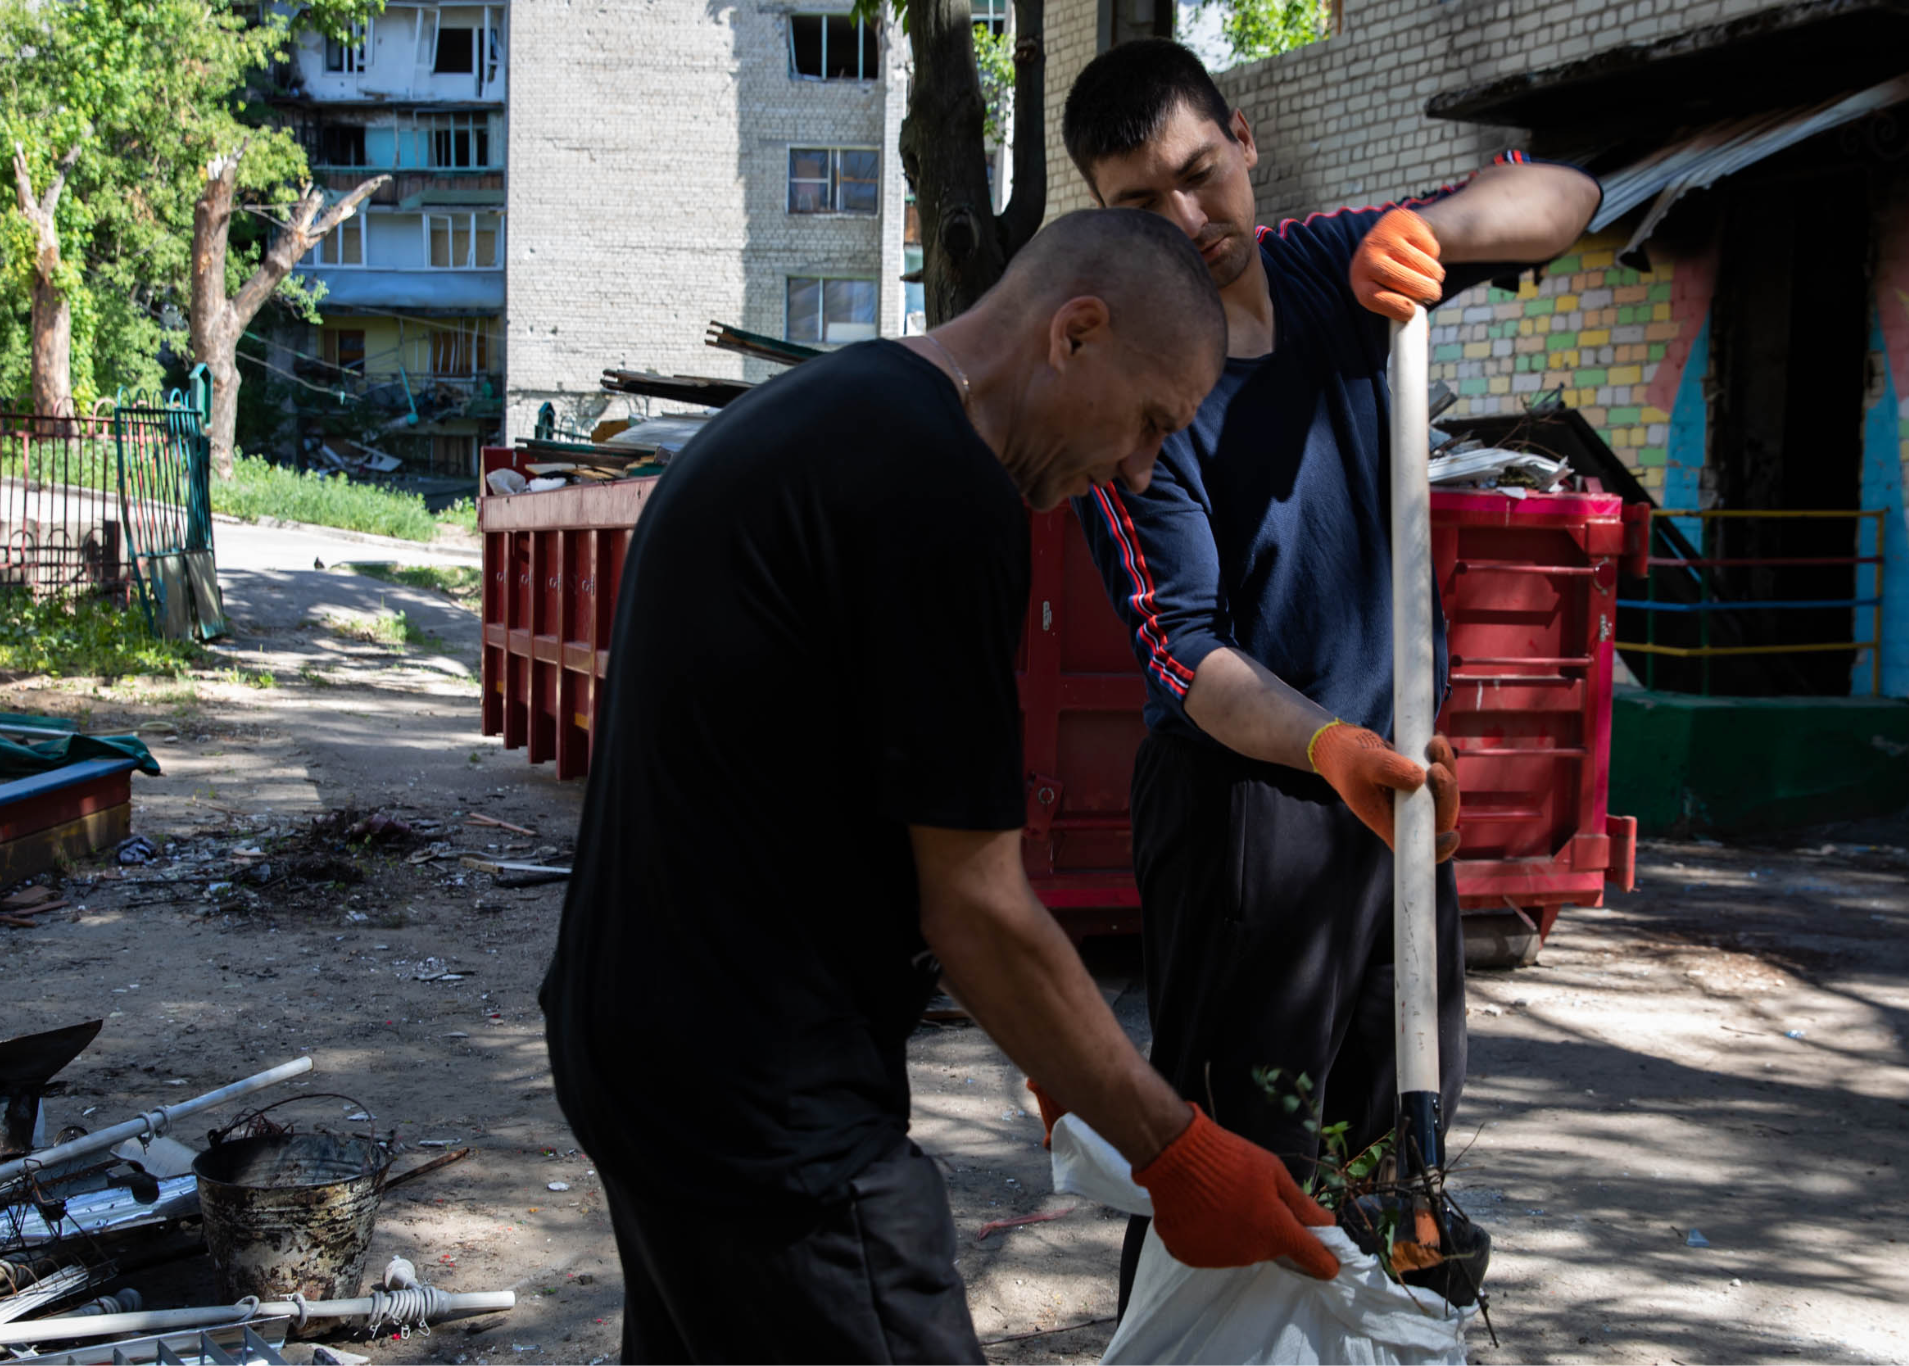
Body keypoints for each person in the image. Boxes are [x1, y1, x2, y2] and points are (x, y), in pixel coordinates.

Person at [541, 209, 1351, 1366]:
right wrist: (1180, 1150)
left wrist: (1057, 1056)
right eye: (1150, 423)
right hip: (766, 1104)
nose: (1135, 467)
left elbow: (827, 796)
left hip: (633, 1048)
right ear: (1075, 332)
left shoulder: (815, 412)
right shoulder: (938, 487)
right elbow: (972, 903)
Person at [1051, 41, 1603, 1306]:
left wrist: (1434, 225)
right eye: (1141, 203)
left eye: (1200, 175)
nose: (1190, 222)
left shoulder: (1329, 266)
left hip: (1397, 790)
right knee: (1240, 1155)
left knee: (1397, 1124)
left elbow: (1567, 196)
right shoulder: (1133, 391)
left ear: (1242, 141)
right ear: (1104, 216)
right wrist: (1333, 748)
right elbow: (1183, 651)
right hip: (1248, 812)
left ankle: (1370, 1336)